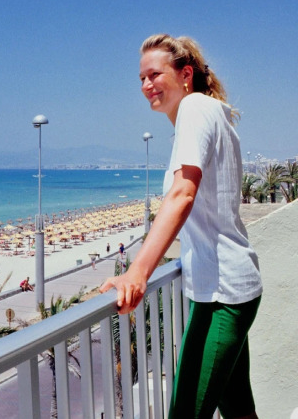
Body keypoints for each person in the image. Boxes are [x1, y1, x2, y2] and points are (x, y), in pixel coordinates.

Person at [100, 34, 262, 419]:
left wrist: (137, 273)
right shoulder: (208, 112)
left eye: (155, 74)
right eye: (141, 78)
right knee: (239, 410)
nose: (146, 85)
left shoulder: (194, 108)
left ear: (185, 74)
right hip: (222, 287)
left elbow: (182, 195)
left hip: (223, 295)